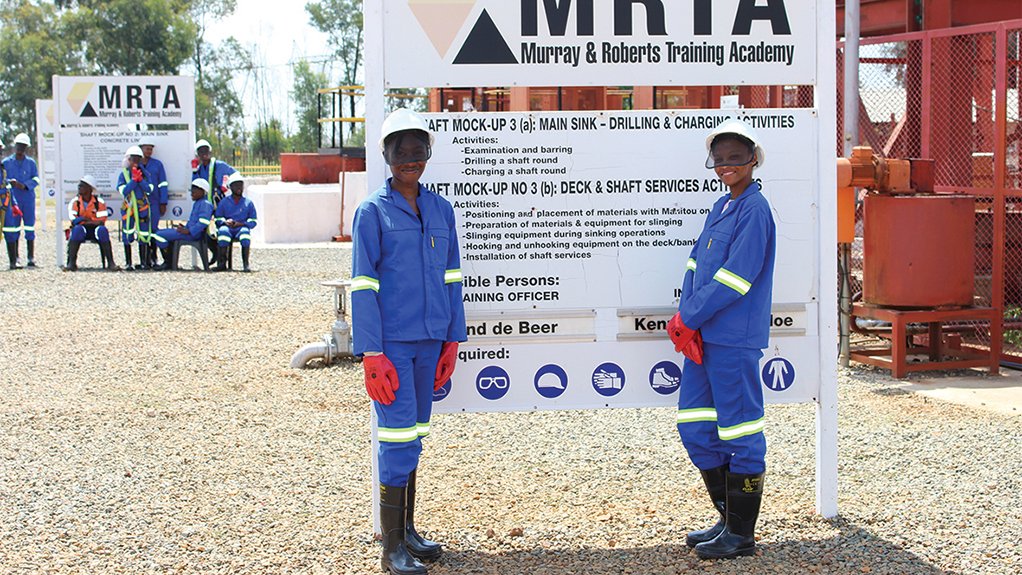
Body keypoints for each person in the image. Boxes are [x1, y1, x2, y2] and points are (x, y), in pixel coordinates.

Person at [351, 108, 467, 575]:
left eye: (418, 151)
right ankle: (391, 549)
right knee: (397, 440)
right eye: (401, 151)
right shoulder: (371, 212)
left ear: (428, 155)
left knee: (414, 438)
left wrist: (452, 341)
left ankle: (409, 534)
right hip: (393, 346)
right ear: (386, 155)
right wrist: (372, 352)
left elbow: (453, 277)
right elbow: (364, 283)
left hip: (431, 341)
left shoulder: (441, 209)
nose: (410, 159)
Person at [669, 120, 775, 560]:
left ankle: (741, 535)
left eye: (736, 157)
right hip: (704, 335)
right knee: (695, 426)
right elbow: (698, 265)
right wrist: (686, 319)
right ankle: (727, 520)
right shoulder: (722, 206)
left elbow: (736, 278)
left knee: (740, 430)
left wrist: (690, 316)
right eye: (721, 158)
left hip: (732, 338)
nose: (727, 165)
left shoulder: (755, 209)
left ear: (753, 160)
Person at [151, 179, 215, 270]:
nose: (192, 193)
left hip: (192, 235)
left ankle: (168, 262)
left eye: (194, 191)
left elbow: (203, 223)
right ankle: (170, 261)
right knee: (159, 233)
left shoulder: (205, 204)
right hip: (188, 232)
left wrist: (188, 231)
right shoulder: (199, 203)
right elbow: (194, 222)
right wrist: (184, 227)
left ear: (202, 191)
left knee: (158, 235)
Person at [192, 139, 236, 266]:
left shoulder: (219, 165)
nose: (204, 153)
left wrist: (226, 184)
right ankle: (215, 253)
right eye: (201, 151)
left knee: (221, 228)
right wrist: (194, 171)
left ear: (210, 151)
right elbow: (195, 185)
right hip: (205, 206)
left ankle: (223, 259)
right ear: (198, 155)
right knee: (203, 230)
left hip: (219, 203)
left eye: (206, 150)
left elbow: (235, 175)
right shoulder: (199, 170)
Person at [64, 176, 118, 272]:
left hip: (95, 230)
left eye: (82, 186)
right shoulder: (75, 202)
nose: (79, 188)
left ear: (89, 188)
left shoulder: (99, 202)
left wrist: (85, 220)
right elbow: (74, 221)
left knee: (102, 230)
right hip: (82, 230)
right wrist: (89, 220)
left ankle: (111, 263)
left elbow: (101, 221)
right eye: (79, 186)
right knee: (77, 230)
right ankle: (71, 263)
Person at [3, 133, 40, 267]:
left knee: (29, 227)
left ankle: (31, 257)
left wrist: (24, 185)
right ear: (15, 146)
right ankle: (16, 258)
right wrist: (10, 183)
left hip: (28, 198)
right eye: (19, 146)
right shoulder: (6, 163)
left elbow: (36, 179)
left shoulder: (31, 163)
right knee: (14, 228)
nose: (20, 149)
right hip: (13, 200)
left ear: (26, 148)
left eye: (23, 146)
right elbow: (2, 180)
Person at [117, 145, 155, 271]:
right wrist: (133, 181)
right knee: (127, 234)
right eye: (133, 159)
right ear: (128, 159)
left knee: (143, 234)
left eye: (138, 159)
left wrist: (141, 180)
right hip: (129, 208)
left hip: (142, 208)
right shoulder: (123, 175)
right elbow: (124, 190)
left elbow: (149, 190)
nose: (135, 162)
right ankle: (128, 263)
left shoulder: (145, 173)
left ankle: (144, 262)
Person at [213, 172, 257, 272]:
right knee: (223, 233)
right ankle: (222, 264)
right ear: (231, 187)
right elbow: (218, 218)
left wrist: (242, 224)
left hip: (241, 227)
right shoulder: (224, 202)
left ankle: (246, 264)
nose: (239, 187)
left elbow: (253, 220)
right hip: (227, 227)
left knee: (245, 235)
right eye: (236, 185)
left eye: (240, 185)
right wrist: (225, 222)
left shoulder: (248, 203)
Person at [139, 138, 169, 266]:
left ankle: (153, 257)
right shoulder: (135, 165)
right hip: (139, 204)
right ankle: (144, 260)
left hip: (154, 202)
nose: (149, 151)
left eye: (151, 149)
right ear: (141, 149)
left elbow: (163, 184)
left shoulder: (157, 164)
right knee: (142, 230)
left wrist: (163, 202)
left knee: (153, 230)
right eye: (147, 148)